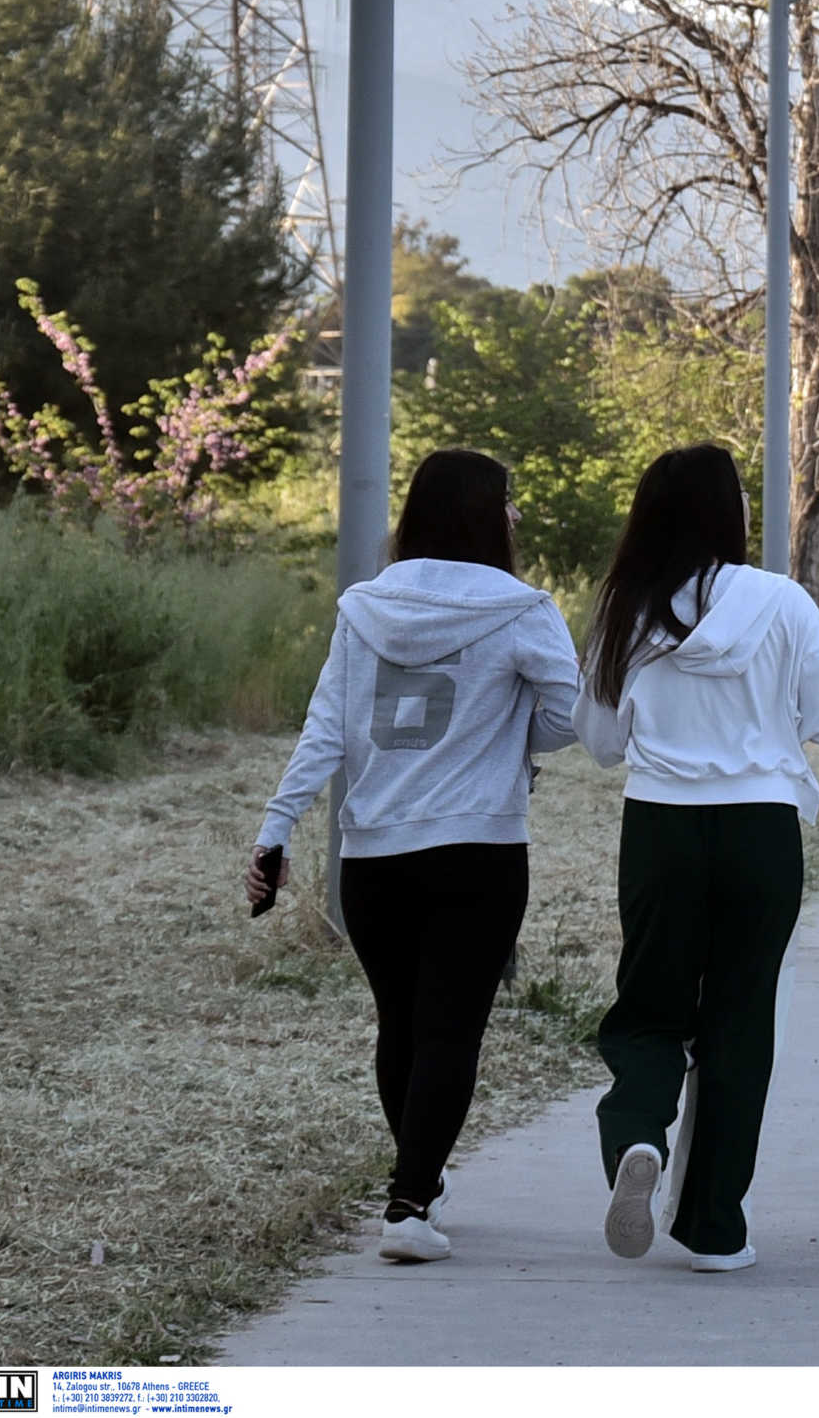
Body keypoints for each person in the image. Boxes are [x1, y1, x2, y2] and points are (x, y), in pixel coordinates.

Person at [249, 449, 582, 1265]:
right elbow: (568, 716)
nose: (514, 517)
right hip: (478, 851)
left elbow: (326, 726)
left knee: (400, 1022)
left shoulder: (363, 608)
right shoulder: (523, 608)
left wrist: (276, 827)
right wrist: (513, 743)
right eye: (506, 502)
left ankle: (417, 1181)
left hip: (373, 857)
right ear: (478, 513)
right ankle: (408, 1201)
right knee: (451, 1030)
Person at [577, 443, 819, 1273]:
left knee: (651, 1007)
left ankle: (638, 1138)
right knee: (741, 1021)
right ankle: (713, 1227)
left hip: (661, 825)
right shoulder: (783, 600)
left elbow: (597, 740)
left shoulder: (627, 606)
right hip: (762, 828)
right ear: (726, 512)